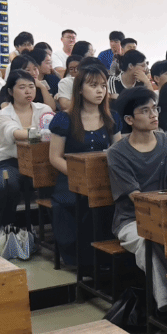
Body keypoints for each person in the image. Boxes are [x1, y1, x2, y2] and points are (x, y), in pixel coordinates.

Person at [108, 87, 167, 318]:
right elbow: (136, 198)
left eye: (155, 108)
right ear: (129, 119)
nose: (154, 115)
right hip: (132, 220)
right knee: (147, 242)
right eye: (145, 111)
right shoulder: (117, 153)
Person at [48, 62, 121, 267]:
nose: (100, 91)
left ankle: (110, 257)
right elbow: (55, 157)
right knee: (76, 203)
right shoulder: (64, 119)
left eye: (103, 86)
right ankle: (85, 260)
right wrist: (80, 176)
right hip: (71, 181)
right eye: (93, 85)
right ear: (80, 89)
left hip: (103, 179)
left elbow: (119, 153)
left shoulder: (111, 117)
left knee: (115, 201)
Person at [0, 70, 54, 237]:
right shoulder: (4, 114)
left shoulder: (44, 109)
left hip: (41, 162)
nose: (28, 91)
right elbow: (14, 133)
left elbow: (54, 130)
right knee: (5, 183)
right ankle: (5, 229)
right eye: (22, 87)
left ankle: (57, 232)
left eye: (31, 86)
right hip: (11, 162)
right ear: (11, 91)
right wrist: (42, 133)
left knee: (59, 181)